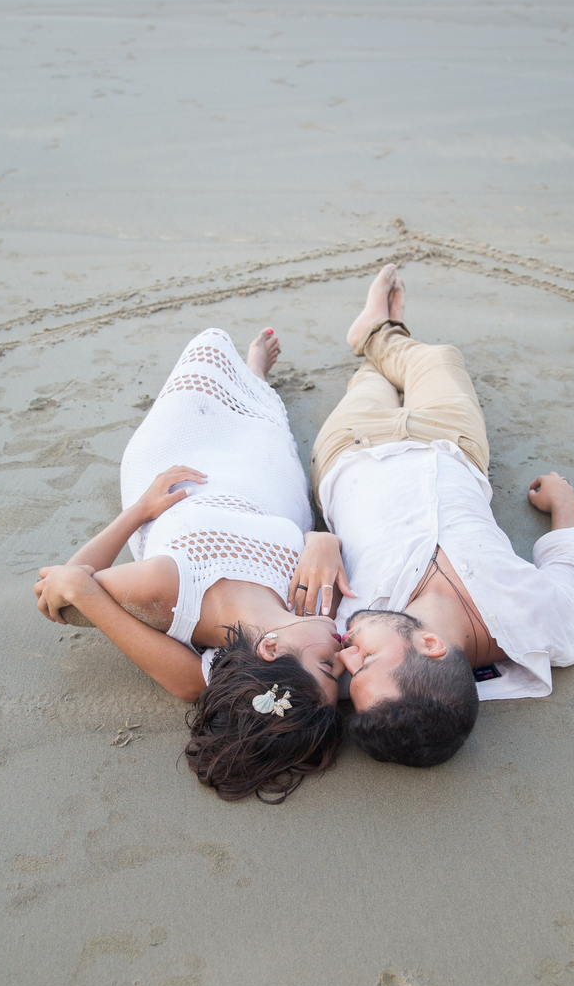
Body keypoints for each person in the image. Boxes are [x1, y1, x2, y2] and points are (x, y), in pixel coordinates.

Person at [34, 326, 353, 803]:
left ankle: (249, 374)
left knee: (208, 344)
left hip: (178, 474)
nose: (344, 655)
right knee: (264, 418)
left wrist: (137, 512)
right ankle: (255, 375)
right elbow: (325, 541)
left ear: (268, 651)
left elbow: (58, 592)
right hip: (263, 484)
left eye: (328, 665)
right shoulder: (317, 609)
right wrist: (324, 540)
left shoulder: (166, 592)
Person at [313, 264, 574, 768]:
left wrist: (319, 542)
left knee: (369, 384)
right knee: (442, 359)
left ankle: (375, 340)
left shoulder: (343, 626)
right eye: (367, 663)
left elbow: (239, 653)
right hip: (453, 445)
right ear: (430, 644)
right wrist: (564, 506)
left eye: (349, 675)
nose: (345, 658)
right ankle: (382, 333)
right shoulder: (544, 627)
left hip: (349, 451)